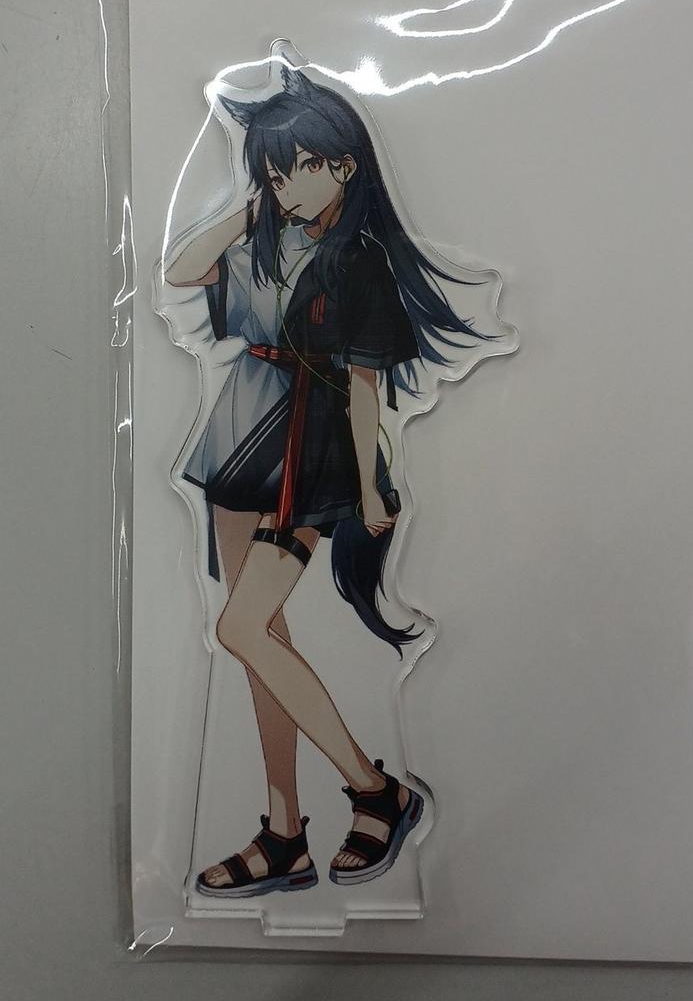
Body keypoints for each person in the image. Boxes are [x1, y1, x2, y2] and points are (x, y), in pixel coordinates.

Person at [165, 62, 485, 894]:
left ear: (340, 164)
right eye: (271, 175)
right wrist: (252, 205)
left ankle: (376, 791)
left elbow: (366, 386)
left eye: (294, 170)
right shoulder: (262, 241)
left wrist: (372, 490)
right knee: (260, 639)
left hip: (307, 450)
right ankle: (283, 835)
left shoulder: (359, 262)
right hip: (235, 436)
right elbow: (182, 269)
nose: (283, 189)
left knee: (240, 629)